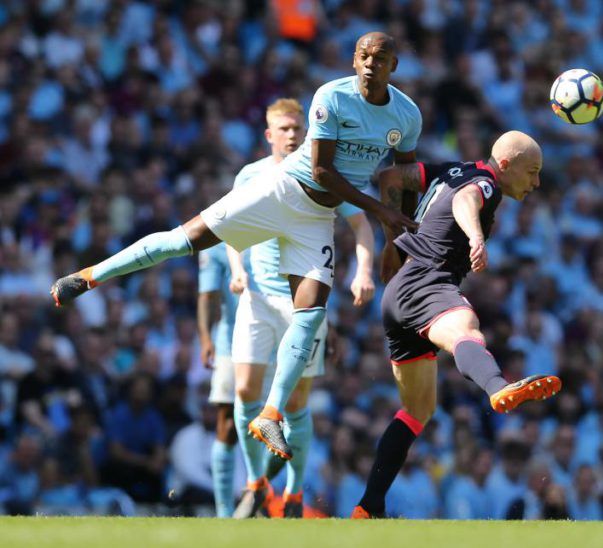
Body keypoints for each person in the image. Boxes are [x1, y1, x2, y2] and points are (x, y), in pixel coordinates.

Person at [50, 31, 421, 460]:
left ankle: (270, 414)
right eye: (363, 55)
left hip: (318, 219)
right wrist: (380, 211)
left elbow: (405, 177)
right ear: (354, 61)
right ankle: (89, 275)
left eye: (381, 57)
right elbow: (321, 172)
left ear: (394, 66)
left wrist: (397, 237)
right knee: (182, 241)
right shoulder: (331, 97)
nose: (371, 63)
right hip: (284, 191)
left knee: (313, 312)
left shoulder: (406, 115)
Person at [350, 130, 562, 519]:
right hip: (428, 282)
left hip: (398, 291)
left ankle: (369, 504)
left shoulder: (452, 170)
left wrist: (392, 239)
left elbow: (391, 178)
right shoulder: (486, 183)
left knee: (418, 409)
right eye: (531, 172)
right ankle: (498, 388)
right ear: (505, 165)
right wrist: (476, 235)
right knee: (466, 327)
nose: (536, 183)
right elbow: (468, 200)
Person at [226, 98, 375, 519]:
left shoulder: (321, 174)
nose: (293, 134)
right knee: (244, 393)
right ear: (269, 135)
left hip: (303, 306)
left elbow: (361, 222)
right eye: (284, 128)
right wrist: (237, 270)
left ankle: (292, 493)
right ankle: (256, 483)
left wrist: (364, 270)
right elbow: (228, 228)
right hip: (256, 299)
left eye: (298, 128)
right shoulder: (250, 175)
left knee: (295, 405)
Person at [196, 241, 238, 517]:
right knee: (228, 423)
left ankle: (273, 496)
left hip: (275, 339)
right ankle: (224, 512)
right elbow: (207, 294)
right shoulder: (217, 244)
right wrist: (205, 337)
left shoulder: (272, 225)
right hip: (230, 343)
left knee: (279, 422)